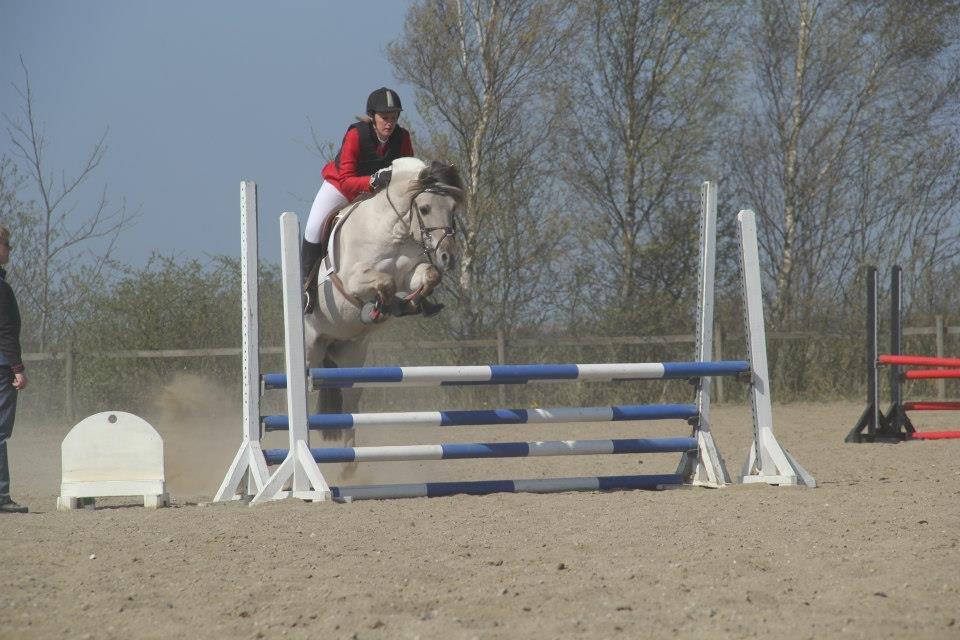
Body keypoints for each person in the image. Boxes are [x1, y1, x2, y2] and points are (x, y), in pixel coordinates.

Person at [302, 87, 415, 312]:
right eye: (385, 118)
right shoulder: (356, 135)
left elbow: (408, 170)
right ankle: (306, 288)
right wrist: (372, 181)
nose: (389, 123)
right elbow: (346, 180)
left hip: (375, 195)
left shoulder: (402, 138)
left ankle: (411, 285)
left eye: (393, 118)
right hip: (341, 188)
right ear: (373, 117)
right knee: (313, 228)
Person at [0, 224, 28, 514]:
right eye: (6, 244)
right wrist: (17, 368)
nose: (9, 249)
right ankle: (1, 496)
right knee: (0, 431)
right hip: (2, 366)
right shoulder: (1, 288)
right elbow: (6, 332)